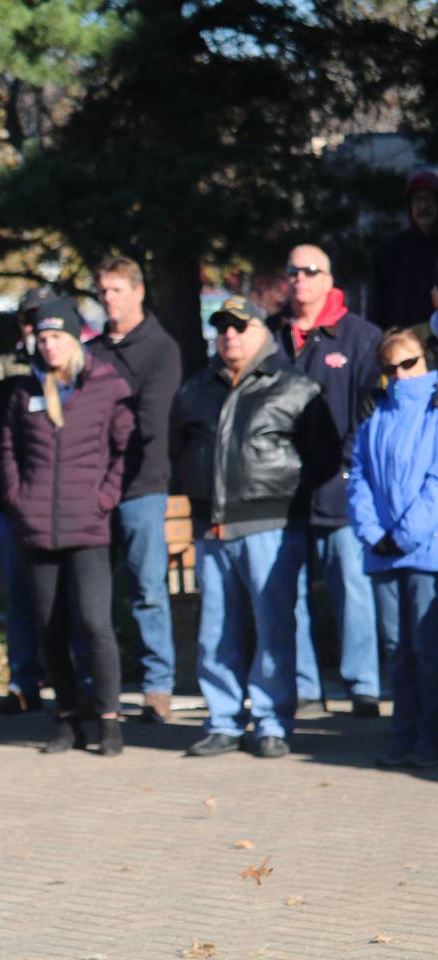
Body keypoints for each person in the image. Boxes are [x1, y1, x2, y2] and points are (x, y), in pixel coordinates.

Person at [173, 296, 339, 759]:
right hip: (212, 526)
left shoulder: (294, 388)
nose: (229, 335)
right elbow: (178, 449)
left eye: (239, 326)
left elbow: (324, 456)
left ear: (261, 333)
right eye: (222, 327)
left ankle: (271, 721)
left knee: (273, 628)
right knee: (215, 631)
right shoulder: (197, 389)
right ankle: (223, 719)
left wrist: (286, 498)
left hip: (271, 526)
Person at [0, 297, 134, 756]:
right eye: (42, 337)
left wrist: (104, 498)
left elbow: (125, 449)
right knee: (49, 628)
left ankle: (110, 721)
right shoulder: (23, 392)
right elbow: (8, 453)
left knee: (95, 623)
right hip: (37, 527)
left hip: (88, 527)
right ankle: (68, 718)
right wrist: (19, 500)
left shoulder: (105, 386)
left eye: (57, 336)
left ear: (75, 339)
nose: (49, 345)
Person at [269, 244, 383, 717]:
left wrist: (348, 468)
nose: (300, 279)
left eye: (310, 271)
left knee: (351, 589)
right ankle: (306, 689)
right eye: (293, 271)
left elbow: (371, 409)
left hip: (339, 488)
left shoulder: (358, 336)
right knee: (288, 595)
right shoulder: (272, 336)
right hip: (282, 492)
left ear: (328, 278)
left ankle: (363, 687)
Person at [86, 257, 182, 723]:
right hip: (96, 489)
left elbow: (149, 421)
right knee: (94, 590)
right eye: (103, 291)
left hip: (143, 486)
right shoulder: (94, 350)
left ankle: (157, 685)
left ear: (138, 292)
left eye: (117, 289)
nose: (109, 298)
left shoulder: (160, 349)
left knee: (147, 588)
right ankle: (97, 684)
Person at [348, 327, 438, 768]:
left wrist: (402, 535)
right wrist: (371, 532)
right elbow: (359, 477)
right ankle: (401, 736)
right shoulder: (375, 418)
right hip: (383, 553)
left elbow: (435, 485)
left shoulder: (435, 412)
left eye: (409, 364)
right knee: (396, 650)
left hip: (426, 553)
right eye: (390, 367)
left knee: (427, 650)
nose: (400, 374)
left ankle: (430, 740)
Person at [0, 285, 51, 715]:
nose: (34, 328)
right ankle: (24, 681)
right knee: (18, 599)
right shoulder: (4, 368)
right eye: (28, 319)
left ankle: (79, 682)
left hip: (61, 504)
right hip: (11, 505)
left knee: (68, 599)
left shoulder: (72, 364)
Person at [369, 168, 438, 331]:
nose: (423, 206)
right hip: (403, 347)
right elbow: (377, 311)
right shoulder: (388, 253)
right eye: (416, 200)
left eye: (429, 199)